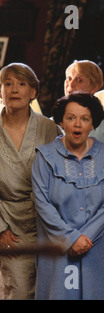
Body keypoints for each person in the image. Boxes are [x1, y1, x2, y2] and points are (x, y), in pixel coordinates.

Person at [31, 93, 104, 299]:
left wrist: (85, 238)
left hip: (93, 245)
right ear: (61, 121)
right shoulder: (44, 157)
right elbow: (42, 203)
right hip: (57, 246)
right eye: (70, 118)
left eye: (84, 119)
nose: (77, 125)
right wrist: (71, 238)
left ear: (93, 124)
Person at [0, 63, 60, 299]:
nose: (14, 89)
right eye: (8, 84)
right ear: (0, 91)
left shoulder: (49, 128)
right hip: (9, 225)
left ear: (33, 92)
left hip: (46, 224)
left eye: (22, 84)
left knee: (48, 291)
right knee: (18, 291)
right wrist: (1, 229)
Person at [64, 60, 104, 143]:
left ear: (94, 87)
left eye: (79, 80)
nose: (71, 84)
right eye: (69, 78)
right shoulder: (52, 124)